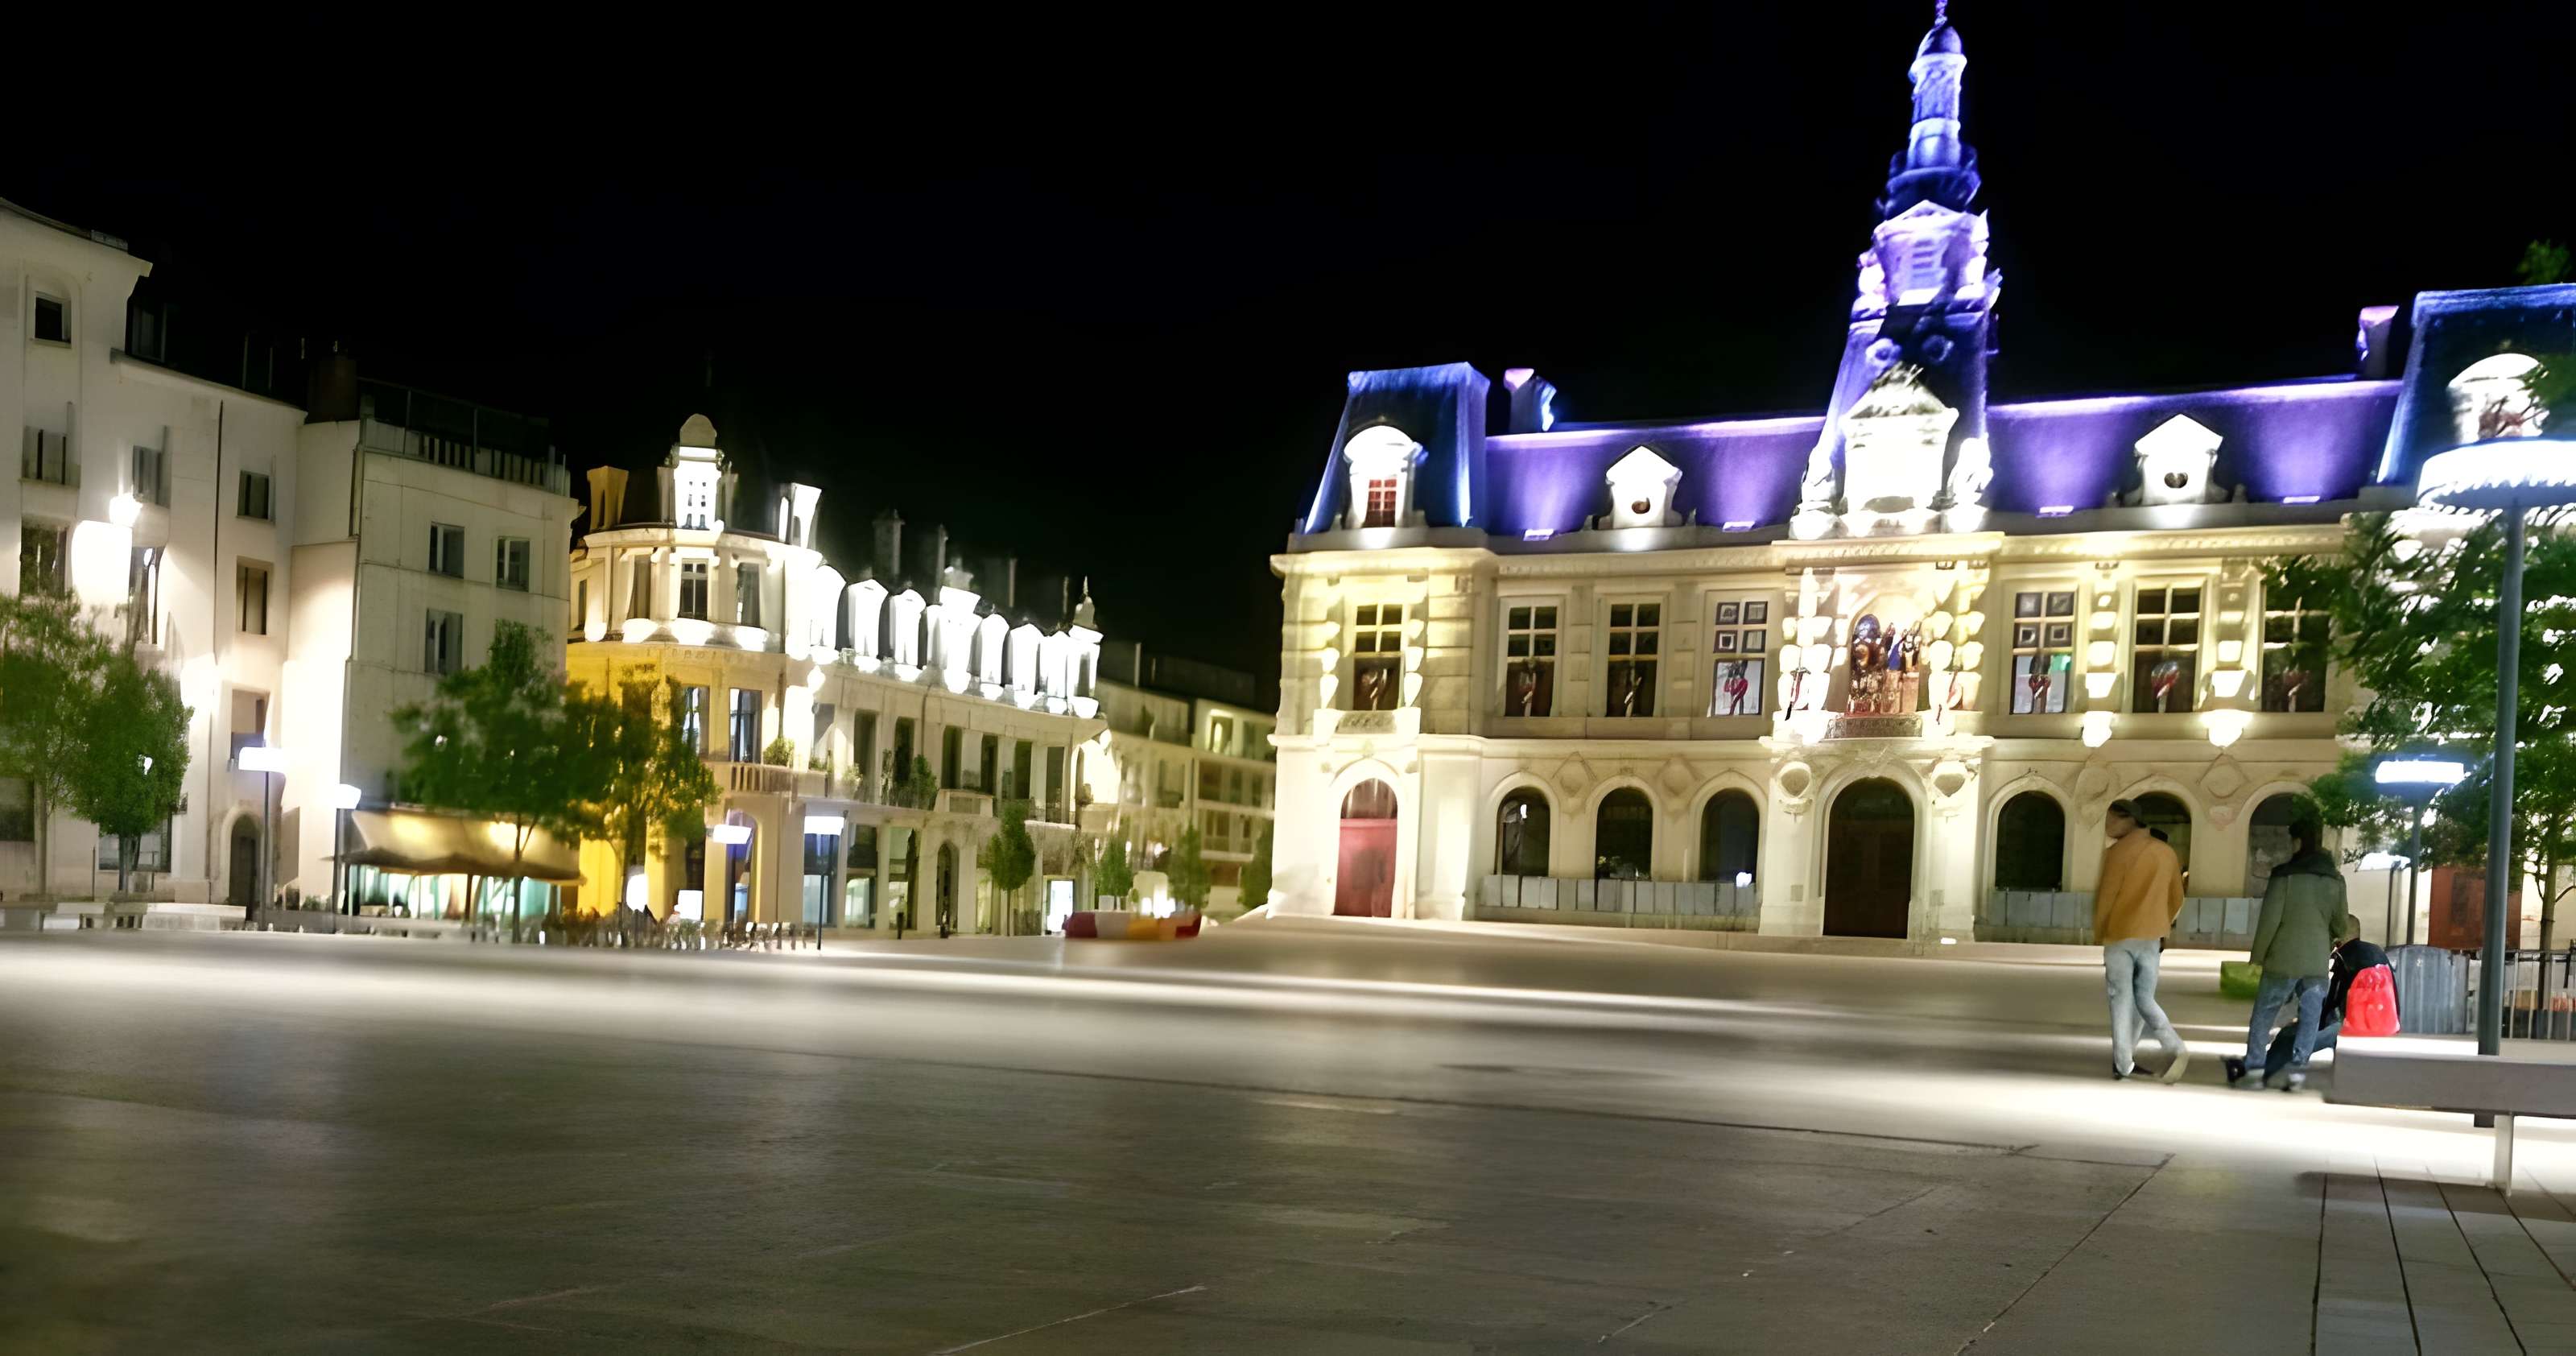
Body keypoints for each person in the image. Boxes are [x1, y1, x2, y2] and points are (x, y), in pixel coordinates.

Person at [2233, 817, 2346, 1089]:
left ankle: (2255, 1071)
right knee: (2309, 1019)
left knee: (2264, 1014)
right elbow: (2341, 924)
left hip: (2282, 960)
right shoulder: (2335, 880)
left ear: (2296, 841)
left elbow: (2269, 921)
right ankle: (2297, 1073)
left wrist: (2257, 957)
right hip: (2316, 963)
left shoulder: (2285, 876)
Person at [2093, 799, 2191, 1082]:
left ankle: (2123, 1063)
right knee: (2144, 997)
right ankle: (2171, 1045)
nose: (2108, 826)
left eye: (2112, 820)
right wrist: (2163, 926)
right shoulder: (2165, 853)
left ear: (2129, 820)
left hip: (2120, 935)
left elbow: (2106, 898)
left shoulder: (2116, 854)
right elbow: (2176, 898)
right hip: (2151, 937)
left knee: (2121, 999)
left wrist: (2101, 931)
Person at [2235, 914, 2391, 1091]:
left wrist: (2310, 1024)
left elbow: (2335, 1000)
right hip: (2380, 1021)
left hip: (2353, 1025)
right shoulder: (2372, 951)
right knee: (2295, 1032)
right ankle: (2266, 1070)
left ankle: (2261, 1073)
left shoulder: (2346, 957)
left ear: (2338, 936)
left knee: (2292, 1038)